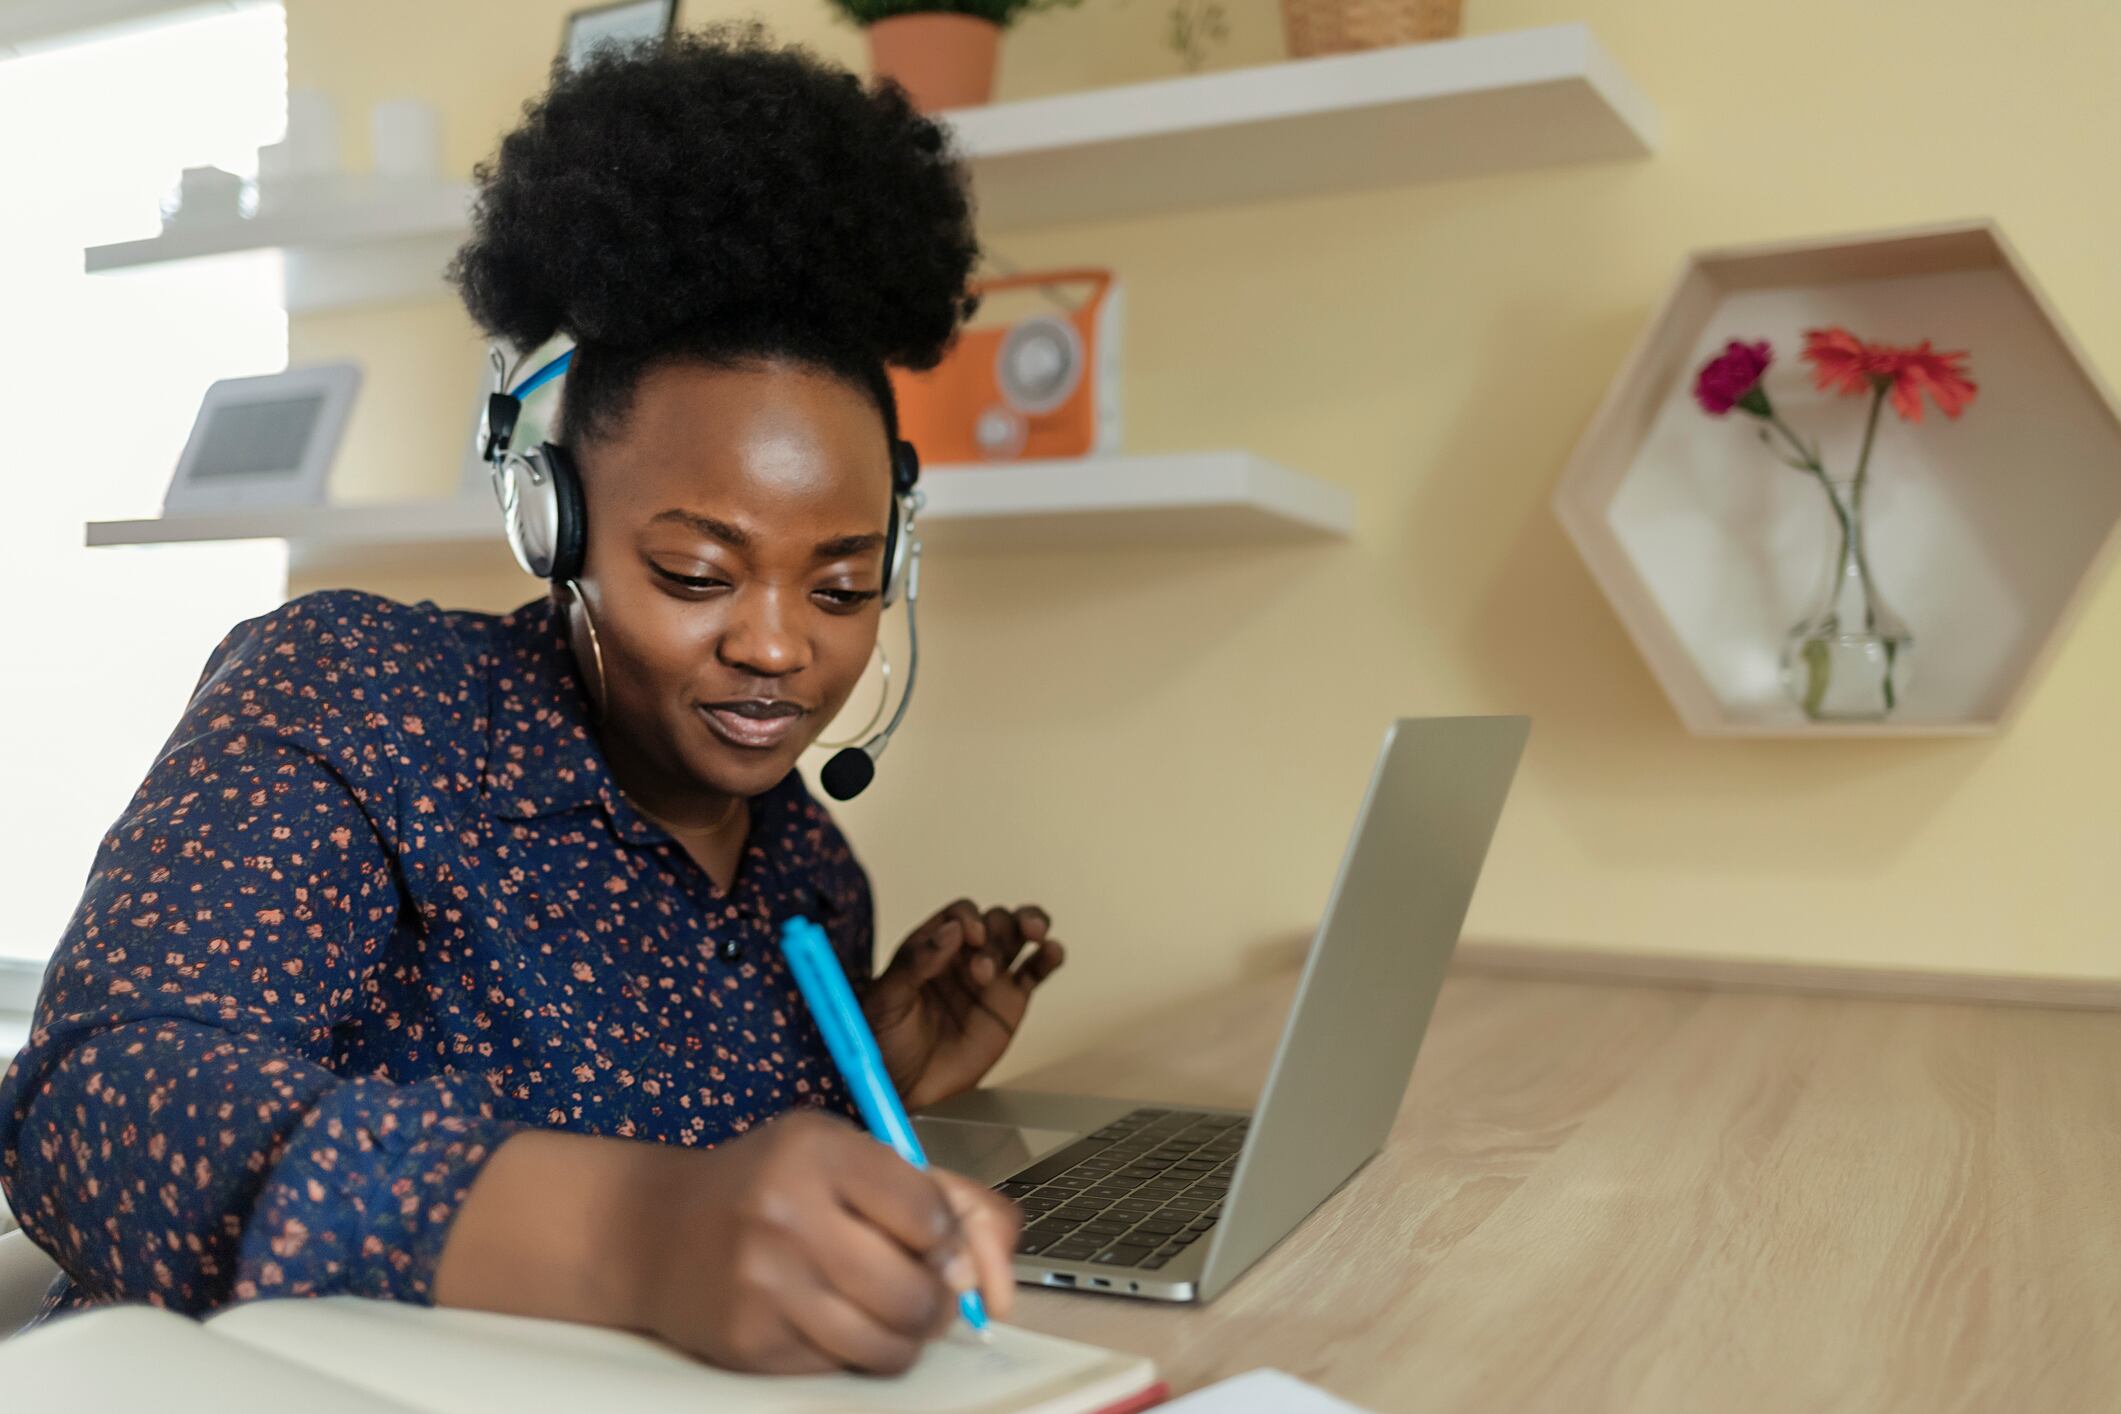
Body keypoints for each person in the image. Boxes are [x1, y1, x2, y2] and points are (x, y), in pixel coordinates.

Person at [0, 27, 1063, 1374]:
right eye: (693, 570)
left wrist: (872, 1084)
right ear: (555, 526)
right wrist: (635, 1231)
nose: (778, 645)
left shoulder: (808, 876)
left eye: (843, 588)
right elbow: (99, 1105)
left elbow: (730, 1228)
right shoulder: (357, 703)